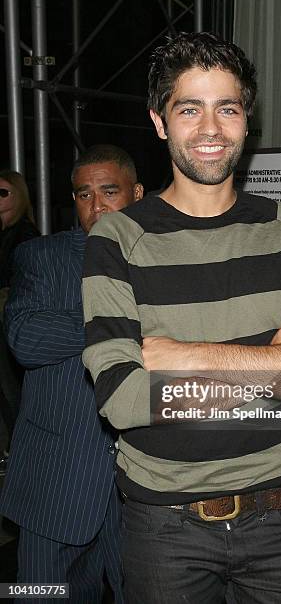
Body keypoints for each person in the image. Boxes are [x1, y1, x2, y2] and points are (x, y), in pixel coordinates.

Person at [82, 34, 281, 603]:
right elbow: (124, 399)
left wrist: (186, 356)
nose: (210, 128)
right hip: (164, 527)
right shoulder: (118, 238)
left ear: (245, 120)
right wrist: (280, 363)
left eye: (226, 108)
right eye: (190, 108)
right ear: (161, 123)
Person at [0, 145, 143, 603]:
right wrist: (127, 323)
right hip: (56, 478)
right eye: (84, 194)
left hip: (140, 484)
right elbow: (27, 340)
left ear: (137, 194)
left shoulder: (168, 260)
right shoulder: (43, 256)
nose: (97, 205)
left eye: (109, 191)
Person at [0, 169, 39, 476]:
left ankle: (21, 457)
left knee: (13, 394)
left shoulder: (25, 236)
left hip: (14, 328)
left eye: (4, 193)